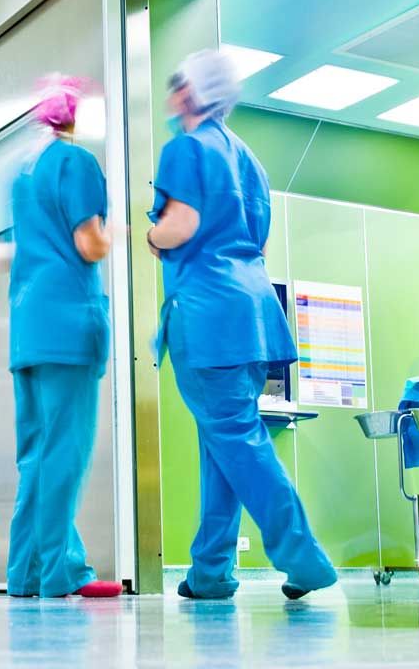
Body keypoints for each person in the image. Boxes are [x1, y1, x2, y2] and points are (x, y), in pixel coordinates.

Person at [146, 50, 337, 601]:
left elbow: (180, 226)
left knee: (238, 440)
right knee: (223, 443)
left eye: (176, 86)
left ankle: (304, 558)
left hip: (208, 316)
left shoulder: (185, 147)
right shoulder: (248, 158)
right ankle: (209, 572)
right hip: (252, 314)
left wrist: (151, 235)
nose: (170, 96)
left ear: (190, 94)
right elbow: (255, 238)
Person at [6, 75, 122, 599]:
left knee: (36, 454)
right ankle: (59, 573)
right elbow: (89, 243)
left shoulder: (22, 175)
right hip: (68, 325)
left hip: (28, 327)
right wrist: (135, 233)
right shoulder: (75, 162)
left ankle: (26, 573)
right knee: (65, 453)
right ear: (75, 115)